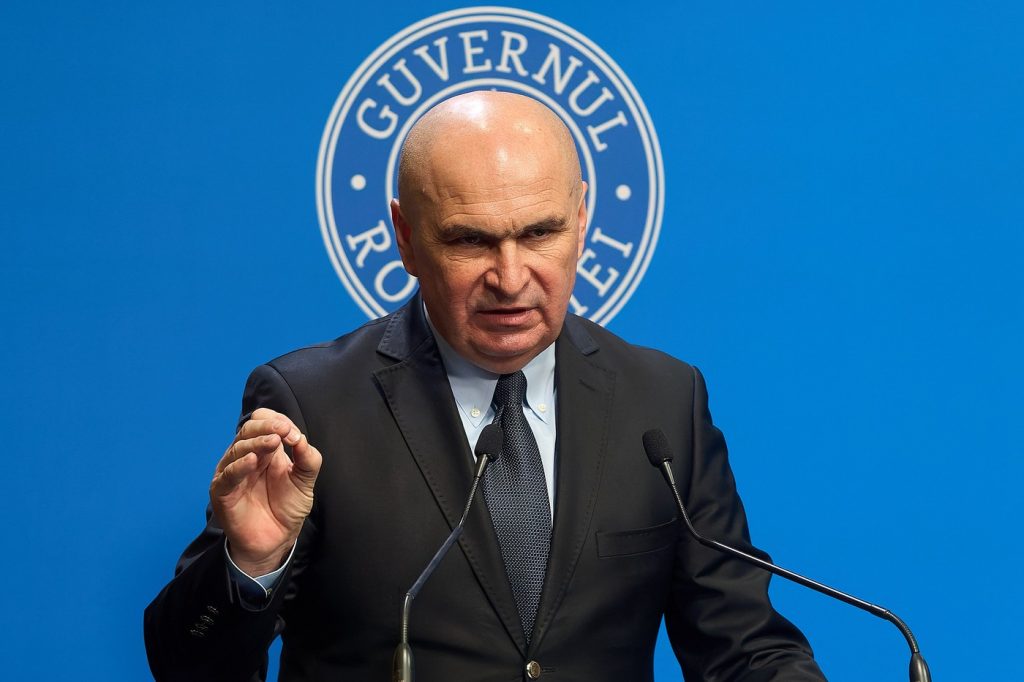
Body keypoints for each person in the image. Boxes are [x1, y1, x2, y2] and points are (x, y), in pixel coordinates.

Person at [145, 91, 826, 681]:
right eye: (470, 241)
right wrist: (250, 563)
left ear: (581, 221)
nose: (510, 277)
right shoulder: (311, 406)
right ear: (406, 238)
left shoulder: (663, 401)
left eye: (540, 233)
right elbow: (188, 667)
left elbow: (743, 648)